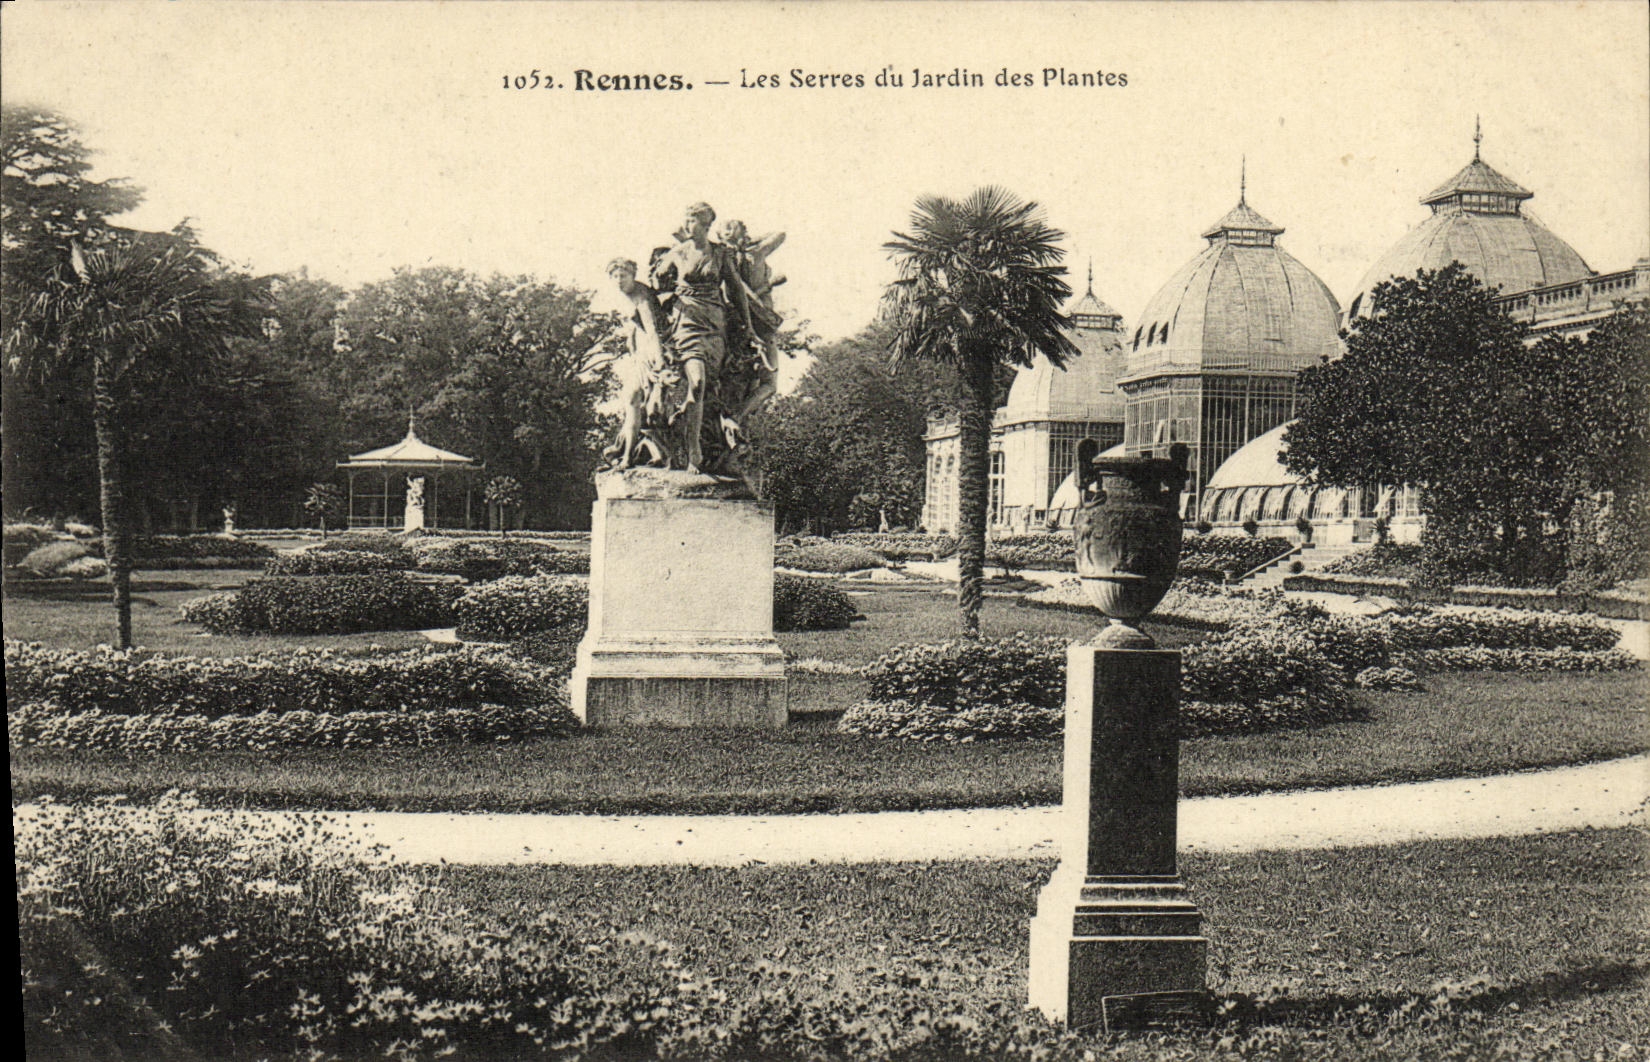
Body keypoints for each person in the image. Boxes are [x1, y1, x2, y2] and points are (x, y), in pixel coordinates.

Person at [650, 202, 753, 473]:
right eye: (686, 220)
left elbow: (737, 291)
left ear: (706, 225)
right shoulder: (678, 252)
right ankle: (693, 447)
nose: (687, 225)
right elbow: (656, 281)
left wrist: (749, 325)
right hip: (687, 324)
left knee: (708, 388)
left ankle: (703, 440)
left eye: (693, 220)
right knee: (697, 383)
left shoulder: (720, 254)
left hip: (714, 325)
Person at [603, 257, 675, 468]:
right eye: (614, 276)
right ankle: (629, 455)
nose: (618, 280)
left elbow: (652, 330)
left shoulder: (641, 295)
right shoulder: (629, 295)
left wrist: (660, 362)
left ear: (633, 275)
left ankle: (629, 456)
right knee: (634, 402)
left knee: (635, 400)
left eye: (623, 276)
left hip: (651, 356)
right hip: (640, 355)